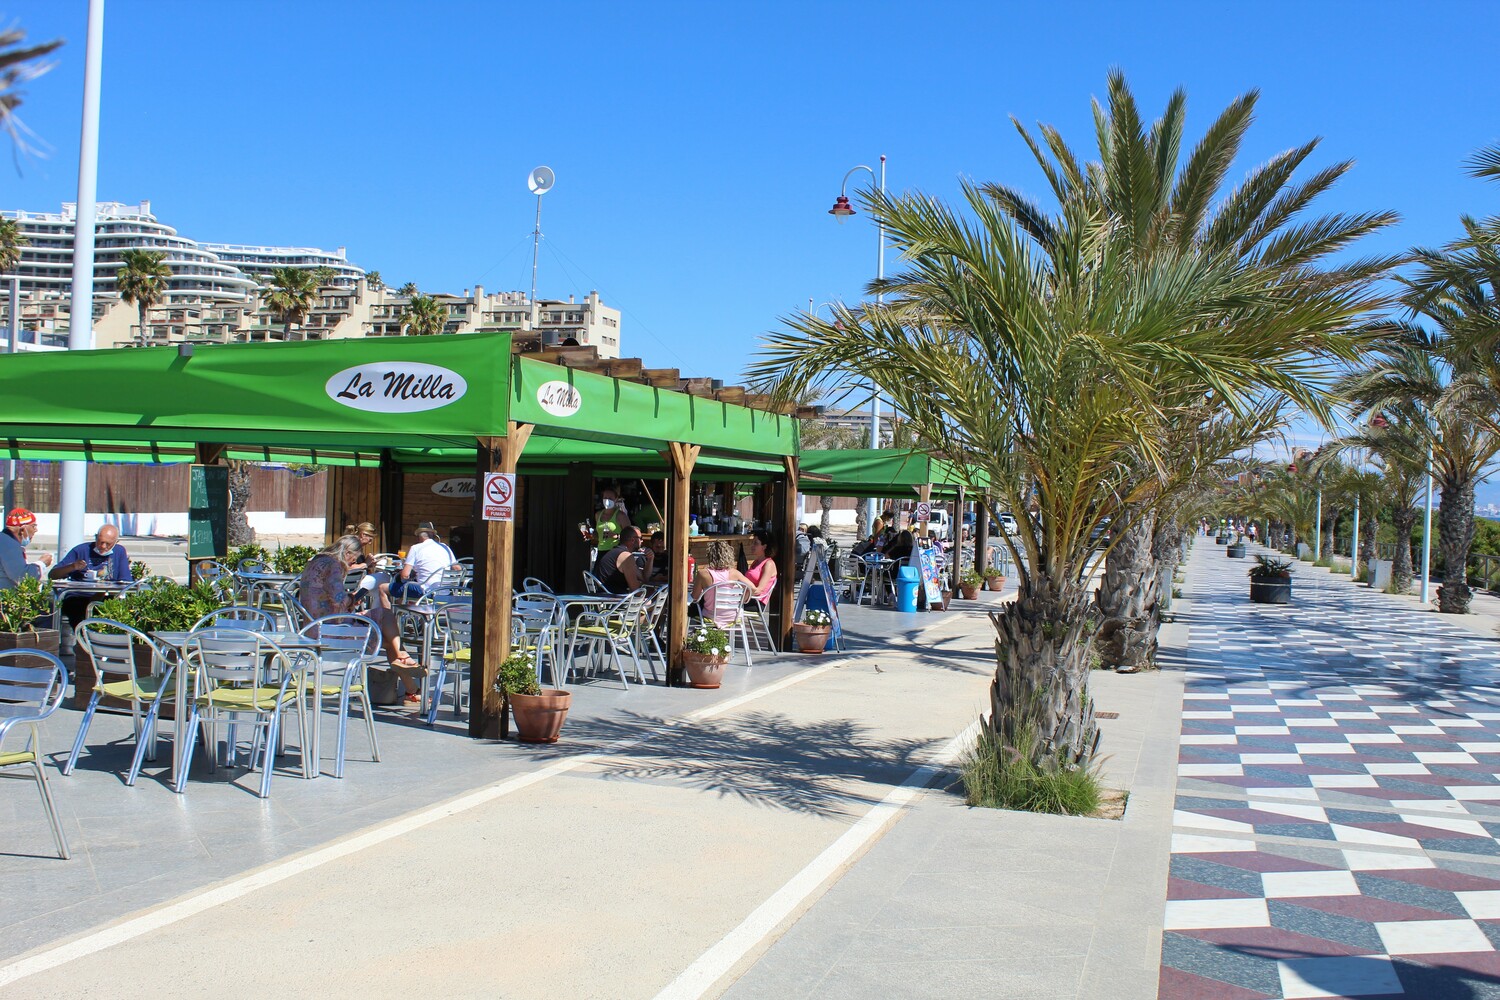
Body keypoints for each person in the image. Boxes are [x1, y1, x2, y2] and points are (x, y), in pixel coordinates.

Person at [300, 535, 425, 704]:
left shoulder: (316, 561)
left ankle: (410, 684)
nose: (352, 563)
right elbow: (339, 600)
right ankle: (403, 658)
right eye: (353, 558)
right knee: (386, 617)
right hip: (331, 628)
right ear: (347, 552)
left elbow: (330, 598)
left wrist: (349, 600)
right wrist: (352, 599)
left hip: (312, 626)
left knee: (385, 624)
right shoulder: (334, 565)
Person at [50, 524, 134, 630]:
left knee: (113, 609)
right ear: (96, 537)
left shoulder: (119, 551)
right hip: (79, 596)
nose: (103, 546)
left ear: (116, 542)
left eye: (108, 544)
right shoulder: (81, 550)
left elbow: (126, 581)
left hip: (106, 596)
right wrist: (72, 566)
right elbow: (53, 575)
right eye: (100, 542)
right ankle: (82, 635)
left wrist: (104, 591)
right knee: (75, 607)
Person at [692, 540, 756, 627]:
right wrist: (741, 601)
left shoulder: (703, 574)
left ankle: (700, 634)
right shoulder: (734, 573)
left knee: (692, 608)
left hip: (711, 616)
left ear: (709, 555)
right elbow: (752, 588)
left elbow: (695, 597)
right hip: (733, 616)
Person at [391, 522, 461, 601]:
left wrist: (405, 579)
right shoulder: (445, 547)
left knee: (383, 588)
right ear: (433, 535)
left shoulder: (416, 548)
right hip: (445, 593)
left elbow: (405, 575)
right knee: (403, 595)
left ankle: (394, 607)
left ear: (419, 536)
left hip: (425, 593)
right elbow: (457, 568)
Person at [0, 507, 52, 590]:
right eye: (33, 526)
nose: (36, 530)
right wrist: (42, 563)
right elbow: (22, 577)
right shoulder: (9, 545)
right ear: (23, 529)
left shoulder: (4, 540)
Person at [593, 525, 653, 594]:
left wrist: (650, 559)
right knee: (653, 597)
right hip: (614, 598)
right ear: (633, 540)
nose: (642, 541)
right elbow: (635, 591)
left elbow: (644, 578)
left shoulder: (616, 552)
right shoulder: (626, 557)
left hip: (605, 597)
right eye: (640, 538)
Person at [743, 529, 778, 603]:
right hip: (748, 598)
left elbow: (759, 590)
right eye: (752, 542)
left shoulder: (769, 564)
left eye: (755, 543)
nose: (752, 545)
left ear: (764, 546)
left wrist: (742, 598)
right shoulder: (756, 562)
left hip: (757, 601)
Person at [594, 486, 632, 553]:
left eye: (610, 498)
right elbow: (599, 536)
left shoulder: (621, 516)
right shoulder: (598, 515)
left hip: (616, 551)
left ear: (616, 499)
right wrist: (591, 534)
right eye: (605, 498)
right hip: (601, 550)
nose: (607, 500)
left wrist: (616, 536)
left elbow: (630, 536)